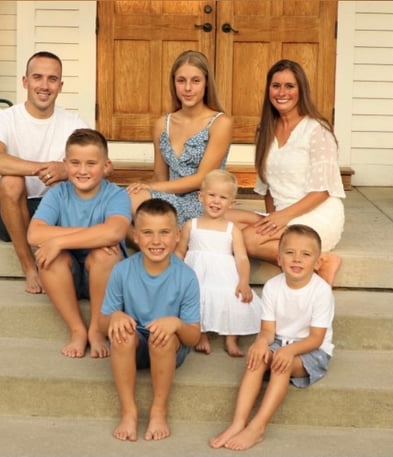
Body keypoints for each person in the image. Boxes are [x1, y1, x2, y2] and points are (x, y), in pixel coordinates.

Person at [209, 224, 335, 451]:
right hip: (279, 342)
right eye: (290, 253)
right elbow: (268, 331)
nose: (297, 259)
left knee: (280, 365)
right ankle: (238, 422)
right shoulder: (272, 287)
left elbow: (316, 338)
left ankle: (257, 427)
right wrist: (259, 343)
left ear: (317, 263)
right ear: (279, 258)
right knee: (257, 358)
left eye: (305, 255)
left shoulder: (321, 291)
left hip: (312, 350)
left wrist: (289, 351)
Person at [226, 59, 345, 285]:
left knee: (248, 240)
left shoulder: (317, 130)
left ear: (301, 90)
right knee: (222, 221)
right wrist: (274, 221)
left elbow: (323, 191)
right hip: (283, 214)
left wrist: (282, 218)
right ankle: (307, 256)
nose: (282, 92)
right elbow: (269, 189)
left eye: (289, 86)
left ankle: (322, 262)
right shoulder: (265, 130)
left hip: (317, 213)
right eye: (276, 86)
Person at [0, 51, 88, 294]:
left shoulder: (73, 122)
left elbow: (105, 166)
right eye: (37, 77)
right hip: (10, 210)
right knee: (10, 182)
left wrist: (66, 168)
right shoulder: (5, 118)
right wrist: (40, 168)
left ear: (60, 86)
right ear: (25, 81)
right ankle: (29, 266)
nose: (44, 85)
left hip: (53, 211)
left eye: (52, 79)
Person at [100, 199, 201, 442]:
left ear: (177, 236)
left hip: (168, 347)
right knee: (121, 336)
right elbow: (103, 325)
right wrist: (115, 316)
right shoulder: (122, 271)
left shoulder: (186, 277)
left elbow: (193, 336)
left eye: (164, 233)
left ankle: (158, 411)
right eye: (147, 233)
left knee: (162, 338)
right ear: (134, 236)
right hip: (134, 345)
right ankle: (129, 411)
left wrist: (176, 324)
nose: (156, 241)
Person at [27, 128, 131, 359]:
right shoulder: (58, 193)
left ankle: (96, 329)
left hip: (105, 276)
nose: (82, 171)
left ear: (106, 166)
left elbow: (115, 231)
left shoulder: (116, 195)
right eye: (75, 163)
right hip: (69, 276)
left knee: (105, 255)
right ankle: (77, 330)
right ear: (65, 164)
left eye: (91, 163)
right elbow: (34, 234)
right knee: (49, 257)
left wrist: (59, 240)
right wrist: (95, 233)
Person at [126, 50, 233, 226]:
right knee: (125, 199)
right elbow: (160, 177)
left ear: (206, 83)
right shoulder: (162, 124)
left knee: (138, 206)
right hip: (168, 199)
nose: (188, 88)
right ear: (174, 83)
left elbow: (203, 179)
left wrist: (150, 188)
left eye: (196, 81)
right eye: (181, 81)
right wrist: (143, 188)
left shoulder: (220, 122)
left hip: (203, 202)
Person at [175, 169, 262, 357]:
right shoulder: (192, 224)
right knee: (197, 298)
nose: (216, 201)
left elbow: (241, 258)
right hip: (197, 273)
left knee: (236, 300)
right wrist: (174, 272)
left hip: (224, 275)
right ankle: (201, 334)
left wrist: (244, 281)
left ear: (232, 203)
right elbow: (180, 251)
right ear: (201, 197)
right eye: (211, 195)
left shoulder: (232, 229)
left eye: (223, 197)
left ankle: (232, 339)